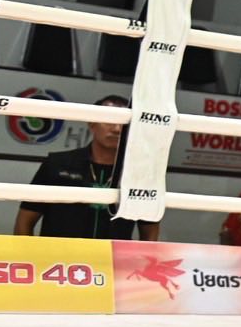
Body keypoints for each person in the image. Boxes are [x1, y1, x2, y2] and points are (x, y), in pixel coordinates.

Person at [13, 95, 161, 241]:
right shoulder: (57, 164)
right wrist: (32, 255)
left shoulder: (140, 174)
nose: (117, 129)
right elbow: (24, 221)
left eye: (124, 123)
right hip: (59, 256)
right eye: (109, 120)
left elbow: (150, 231)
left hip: (114, 256)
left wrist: (139, 258)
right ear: (92, 123)